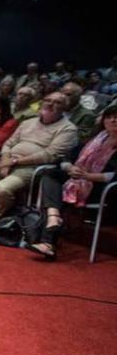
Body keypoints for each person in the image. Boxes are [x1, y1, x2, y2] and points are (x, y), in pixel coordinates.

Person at [0, 92, 77, 231]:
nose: (50, 104)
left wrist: (15, 162)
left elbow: (50, 155)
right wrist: (5, 159)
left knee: (2, 188)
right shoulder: (27, 122)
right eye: (47, 100)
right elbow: (9, 143)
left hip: (33, 168)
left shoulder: (68, 129)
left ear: (65, 107)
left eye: (57, 102)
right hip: (8, 161)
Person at [28, 105, 117, 260]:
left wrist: (88, 176)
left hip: (101, 189)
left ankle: (48, 239)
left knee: (59, 192)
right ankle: (53, 219)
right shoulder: (96, 138)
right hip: (77, 178)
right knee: (49, 174)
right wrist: (70, 168)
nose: (113, 120)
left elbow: (114, 176)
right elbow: (68, 157)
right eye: (109, 117)